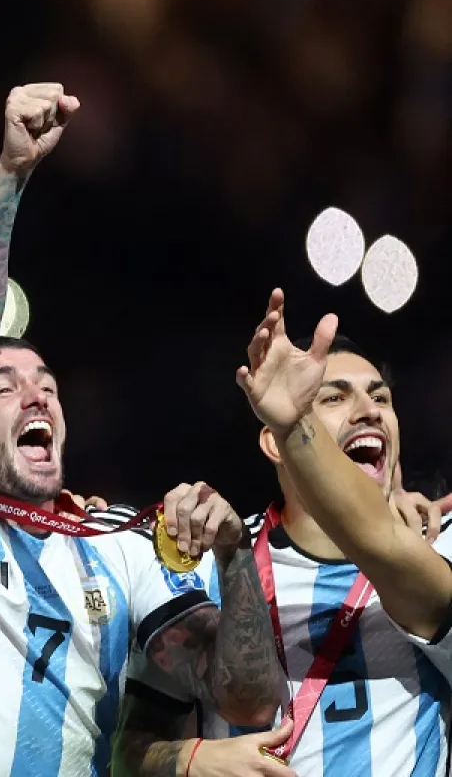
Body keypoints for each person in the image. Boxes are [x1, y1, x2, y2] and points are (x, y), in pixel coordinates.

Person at [0, 84, 283, 775]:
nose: (37, 394)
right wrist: (9, 177)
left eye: (49, 386)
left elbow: (246, 701)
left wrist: (236, 557)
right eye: (5, 387)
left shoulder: (120, 544)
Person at [118, 290, 452, 775]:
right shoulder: (214, 560)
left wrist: (296, 421)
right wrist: (188, 759)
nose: (368, 410)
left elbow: (382, 544)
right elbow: (123, 751)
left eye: (380, 396)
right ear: (273, 443)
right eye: (334, 397)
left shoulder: (439, 541)